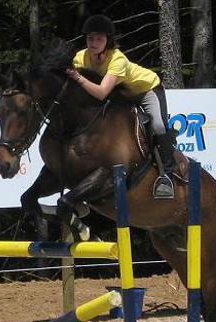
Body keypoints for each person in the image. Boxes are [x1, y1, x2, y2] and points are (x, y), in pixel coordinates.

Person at [65, 14, 177, 199]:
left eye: (99, 39)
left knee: (157, 125)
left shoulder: (118, 59)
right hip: (120, 94)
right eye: (90, 38)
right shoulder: (80, 57)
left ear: (108, 41)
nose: (93, 42)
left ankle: (167, 175)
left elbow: (101, 92)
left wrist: (78, 77)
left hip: (145, 91)